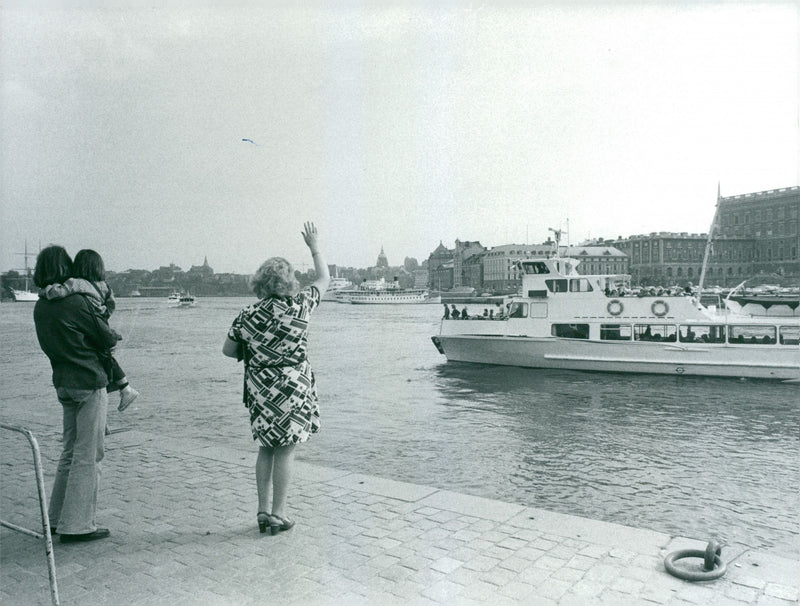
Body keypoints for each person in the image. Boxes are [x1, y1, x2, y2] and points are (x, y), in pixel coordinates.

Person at [223, 222, 330, 535]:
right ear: (289, 281)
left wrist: (254, 350)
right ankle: (279, 513)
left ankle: (261, 510)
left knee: (266, 447)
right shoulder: (301, 306)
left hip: (259, 386)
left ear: (261, 283)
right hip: (293, 385)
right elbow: (325, 278)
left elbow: (228, 350)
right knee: (286, 448)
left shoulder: (248, 314)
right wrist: (314, 246)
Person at [33, 245, 119, 543]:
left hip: (62, 382)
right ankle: (78, 524)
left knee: (69, 451)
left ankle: (56, 519)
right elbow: (105, 337)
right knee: (89, 454)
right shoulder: (78, 302)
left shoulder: (41, 305)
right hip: (88, 382)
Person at [40, 249, 139, 412]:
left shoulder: (77, 283)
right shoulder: (105, 286)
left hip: (90, 322)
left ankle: (123, 391)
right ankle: (124, 389)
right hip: (101, 318)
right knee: (105, 357)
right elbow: (111, 303)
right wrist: (103, 314)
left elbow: (59, 292)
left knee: (98, 359)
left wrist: (45, 291)